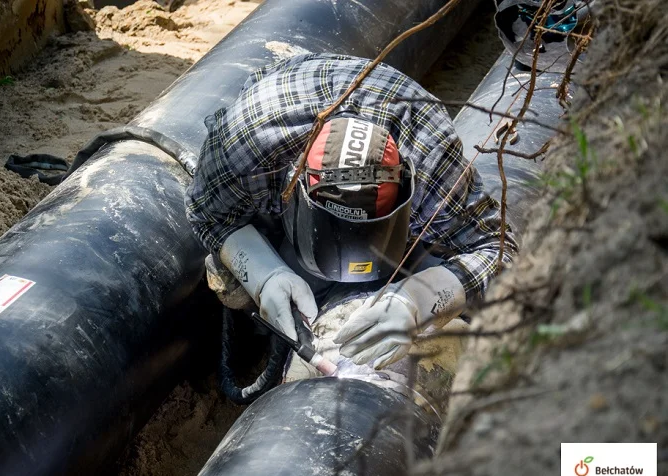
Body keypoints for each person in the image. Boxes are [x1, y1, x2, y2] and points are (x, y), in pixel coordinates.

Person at [185, 53, 517, 370]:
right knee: (228, 274)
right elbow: (206, 214)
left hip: (407, 158)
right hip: (282, 129)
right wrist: (264, 275)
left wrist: (418, 300)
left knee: (484, 302)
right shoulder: (247, 144)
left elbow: (499, 251)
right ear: (294, 182)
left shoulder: (433, 164)